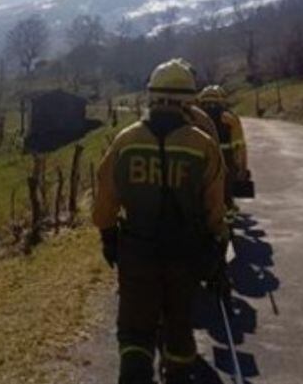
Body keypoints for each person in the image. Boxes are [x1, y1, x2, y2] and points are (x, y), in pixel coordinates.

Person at [94, 59, 229, 384]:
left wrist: (109, 235)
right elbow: (215, 207)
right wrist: (217, 249)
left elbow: (105, 194)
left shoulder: (127, 140)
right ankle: (178, 374)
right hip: (185, 257)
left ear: (151, 97)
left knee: (135, 332)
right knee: (179, 329)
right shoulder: (202, 144)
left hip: (137, 254)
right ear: (189, 102)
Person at [197, 85, 248, 209]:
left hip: (202, 159)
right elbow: (239, 145)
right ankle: (228, 208)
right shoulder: (230, 119)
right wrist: (242, 168)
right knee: (226, 190)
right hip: (226, 159)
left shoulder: (196, 118)